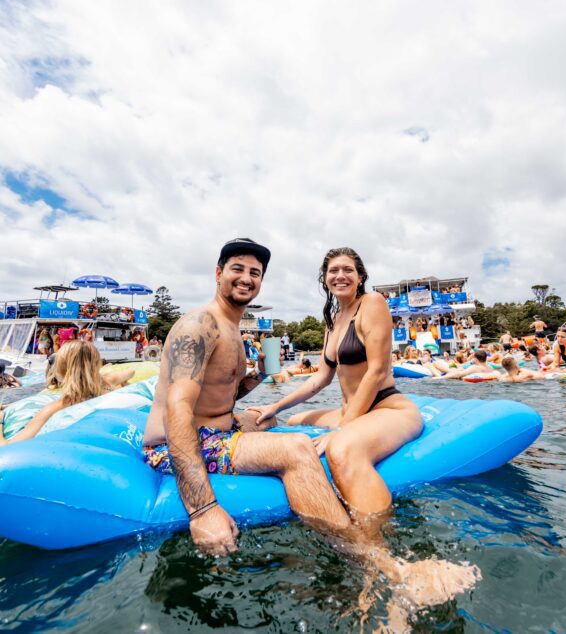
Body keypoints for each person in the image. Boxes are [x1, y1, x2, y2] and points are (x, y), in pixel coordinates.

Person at [251, 246, 479, 605]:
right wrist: (274, 405)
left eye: (347, 270)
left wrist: (344, 429)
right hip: (348, 412)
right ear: (324, 279)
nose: (340, 276)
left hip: (387, 408)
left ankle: (386, 563)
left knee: (342, 450)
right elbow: (319, 380)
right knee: (294, 421)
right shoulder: (331, 321)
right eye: (333, 271)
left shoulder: (372, 304)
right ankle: (367, 553)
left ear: (360, 276)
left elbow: (374, 371)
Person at [142, 239, 354, 559]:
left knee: (266, 417)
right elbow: (178, 407)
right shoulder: (200, 325)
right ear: (218, 273)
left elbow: (228, 393)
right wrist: (203, 510)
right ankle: (365, 556)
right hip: (171, 445)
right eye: (237, 269)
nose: (246, 278)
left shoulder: (233, 330)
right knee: (295, 448)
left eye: (255, 272)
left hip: (218, 431)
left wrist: (260, 375)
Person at [0, 341, 134, 445]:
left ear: (62, 368)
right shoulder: (107, 382)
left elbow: (8, 447)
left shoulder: (58, 406)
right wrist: (123, 384)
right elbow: (131, 372)